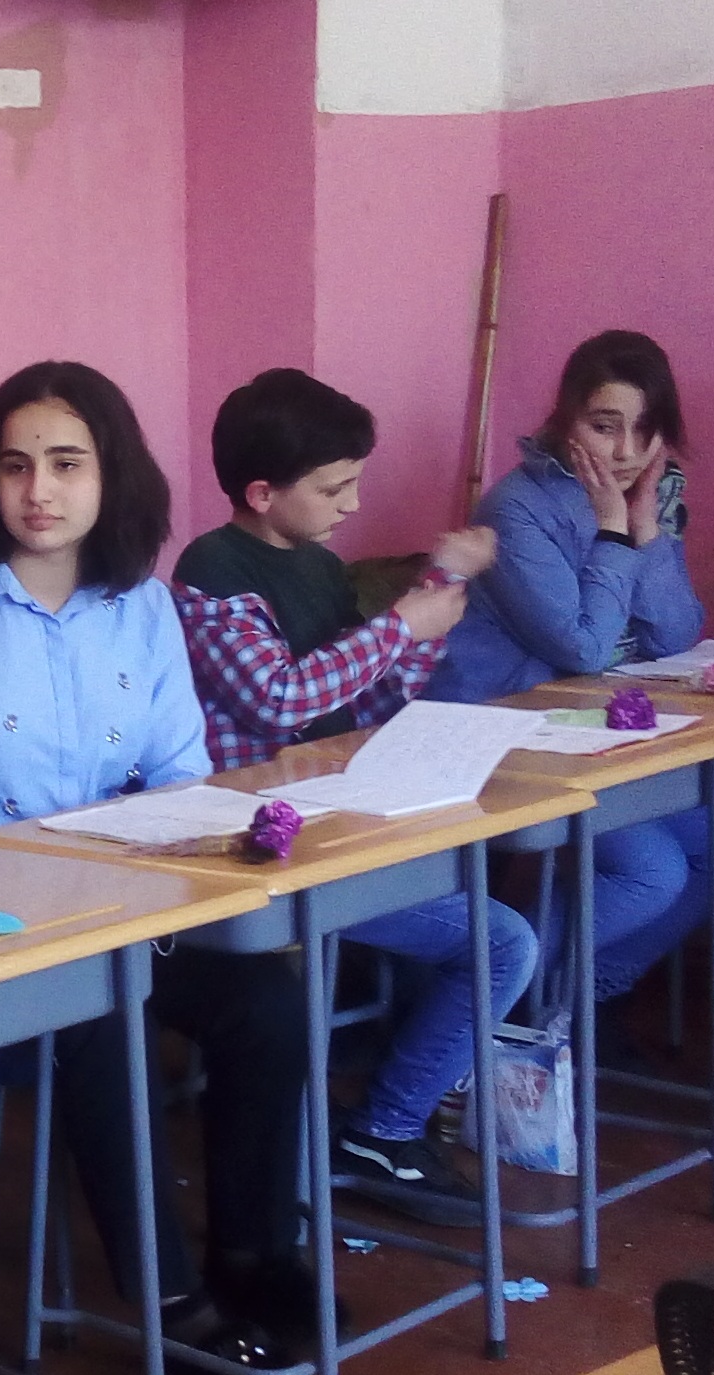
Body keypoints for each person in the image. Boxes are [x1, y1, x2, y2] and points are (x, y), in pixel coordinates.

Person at [0, 359, 315, 1375]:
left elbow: (183, 769)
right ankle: (171, 1307)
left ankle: (253, 1257)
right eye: (15, 466)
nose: (38, 491)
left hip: (121, 906)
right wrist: (9, 866)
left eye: (66, 464)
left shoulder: (140, 607)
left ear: (111, 478)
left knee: (264, 1002)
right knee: (100, 1018)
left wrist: (168, 837)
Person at [174, 369, 530, 1224]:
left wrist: (427, 603)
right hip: (259, 846)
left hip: (336, 826)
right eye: (333, 488)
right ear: (261, 493)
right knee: (495, 942)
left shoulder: (321, 568)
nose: (352, 504)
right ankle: (378, 1132)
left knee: (499, 938)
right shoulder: (209, 575)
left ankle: (383, 1126)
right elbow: (280, 700)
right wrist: (400, 625)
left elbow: (370, 700)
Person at [430, 330, 714, 1051]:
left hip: (591, 733)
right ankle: (490, 1004)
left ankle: (583, 993)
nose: (624, 451)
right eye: (604, 425)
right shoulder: (516, 508)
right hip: (504, 732)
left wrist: (645, 531)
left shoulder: (646, 497)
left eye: (644, 430)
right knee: (651, 870)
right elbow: (581, 648)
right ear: (565, 418)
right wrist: (614, 535)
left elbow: (676, 631)